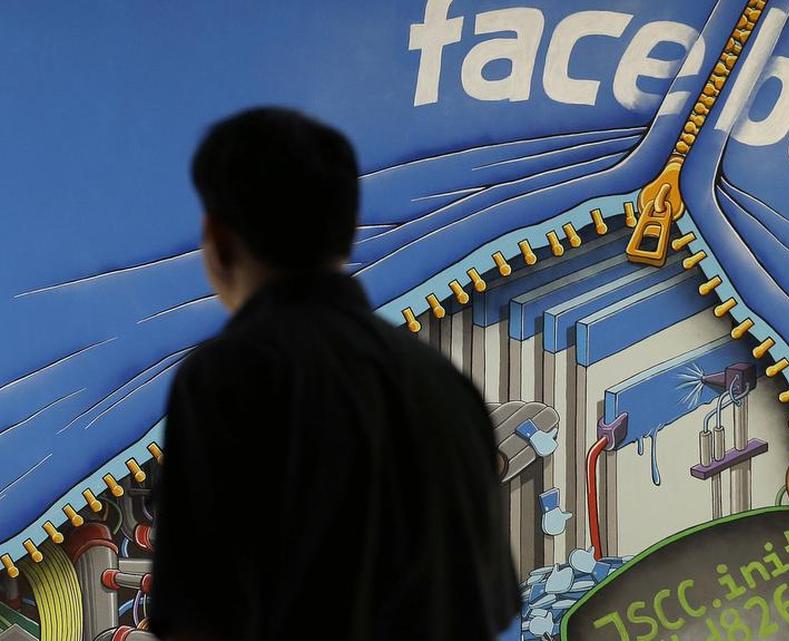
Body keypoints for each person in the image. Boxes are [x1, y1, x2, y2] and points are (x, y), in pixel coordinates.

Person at [149, 107, 519, 640]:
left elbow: (200, 620)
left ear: (218, 240)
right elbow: (490, 608)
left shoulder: (227, 379)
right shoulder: (444, 385)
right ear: (345, 234)